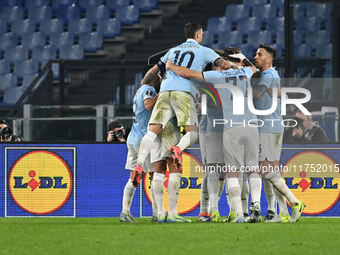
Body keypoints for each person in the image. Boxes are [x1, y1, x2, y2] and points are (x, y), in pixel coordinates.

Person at [166, 49, 263, 223]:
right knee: (217, 171)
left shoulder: (215, 77)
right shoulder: (242, 72)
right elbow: (254, 68)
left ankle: (237, 212)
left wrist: (171, 66)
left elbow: (188, 74)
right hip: (217, 129)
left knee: (227, 172)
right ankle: (211, 210)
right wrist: (242, 58)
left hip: (228, 128)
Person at [131, 22, 232, 187]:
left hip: (164, 92)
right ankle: (178, 148)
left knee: (152, 132)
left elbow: (153, 71)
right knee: (192, 133)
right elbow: (225, 65)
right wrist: (224, 62)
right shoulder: (205, 51)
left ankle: (139, 164)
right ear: (198, 35)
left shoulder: (173, 50)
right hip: (183, 93)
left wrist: (144, 82)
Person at [253, 44, 305, 223]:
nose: (256, 57)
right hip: (273, 125)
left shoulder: (268, 75)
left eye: (259, 54)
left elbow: (257, 95)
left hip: (267, 126)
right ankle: (281, 212)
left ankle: (294, 202)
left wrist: (244, 83)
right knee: (272, 172)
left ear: (269, 59)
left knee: (265, 170)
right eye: (255, 54)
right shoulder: (271, 75)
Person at [119, 66, 160, 222]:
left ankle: (125, 212)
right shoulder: (149, 90)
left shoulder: (138, 90)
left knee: (133, 177)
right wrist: (161, 95)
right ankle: (157, 214)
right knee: (154, 175)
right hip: (145, 140)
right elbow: (148, 105)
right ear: (154, 79)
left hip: (133, 139)